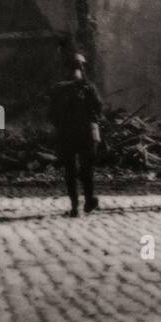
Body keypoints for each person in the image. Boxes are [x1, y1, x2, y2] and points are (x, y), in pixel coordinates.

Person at [49, 53, 104, 217]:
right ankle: (88, 200)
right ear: (82, 68)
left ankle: (75, 206)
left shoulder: (58, 89)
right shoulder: (88, 88)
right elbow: (99, 108)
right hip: (86, 133)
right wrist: (92, 120)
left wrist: (60, 125)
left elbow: (51, 114)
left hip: (67, 134)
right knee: (86, 169)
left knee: (70, 171)